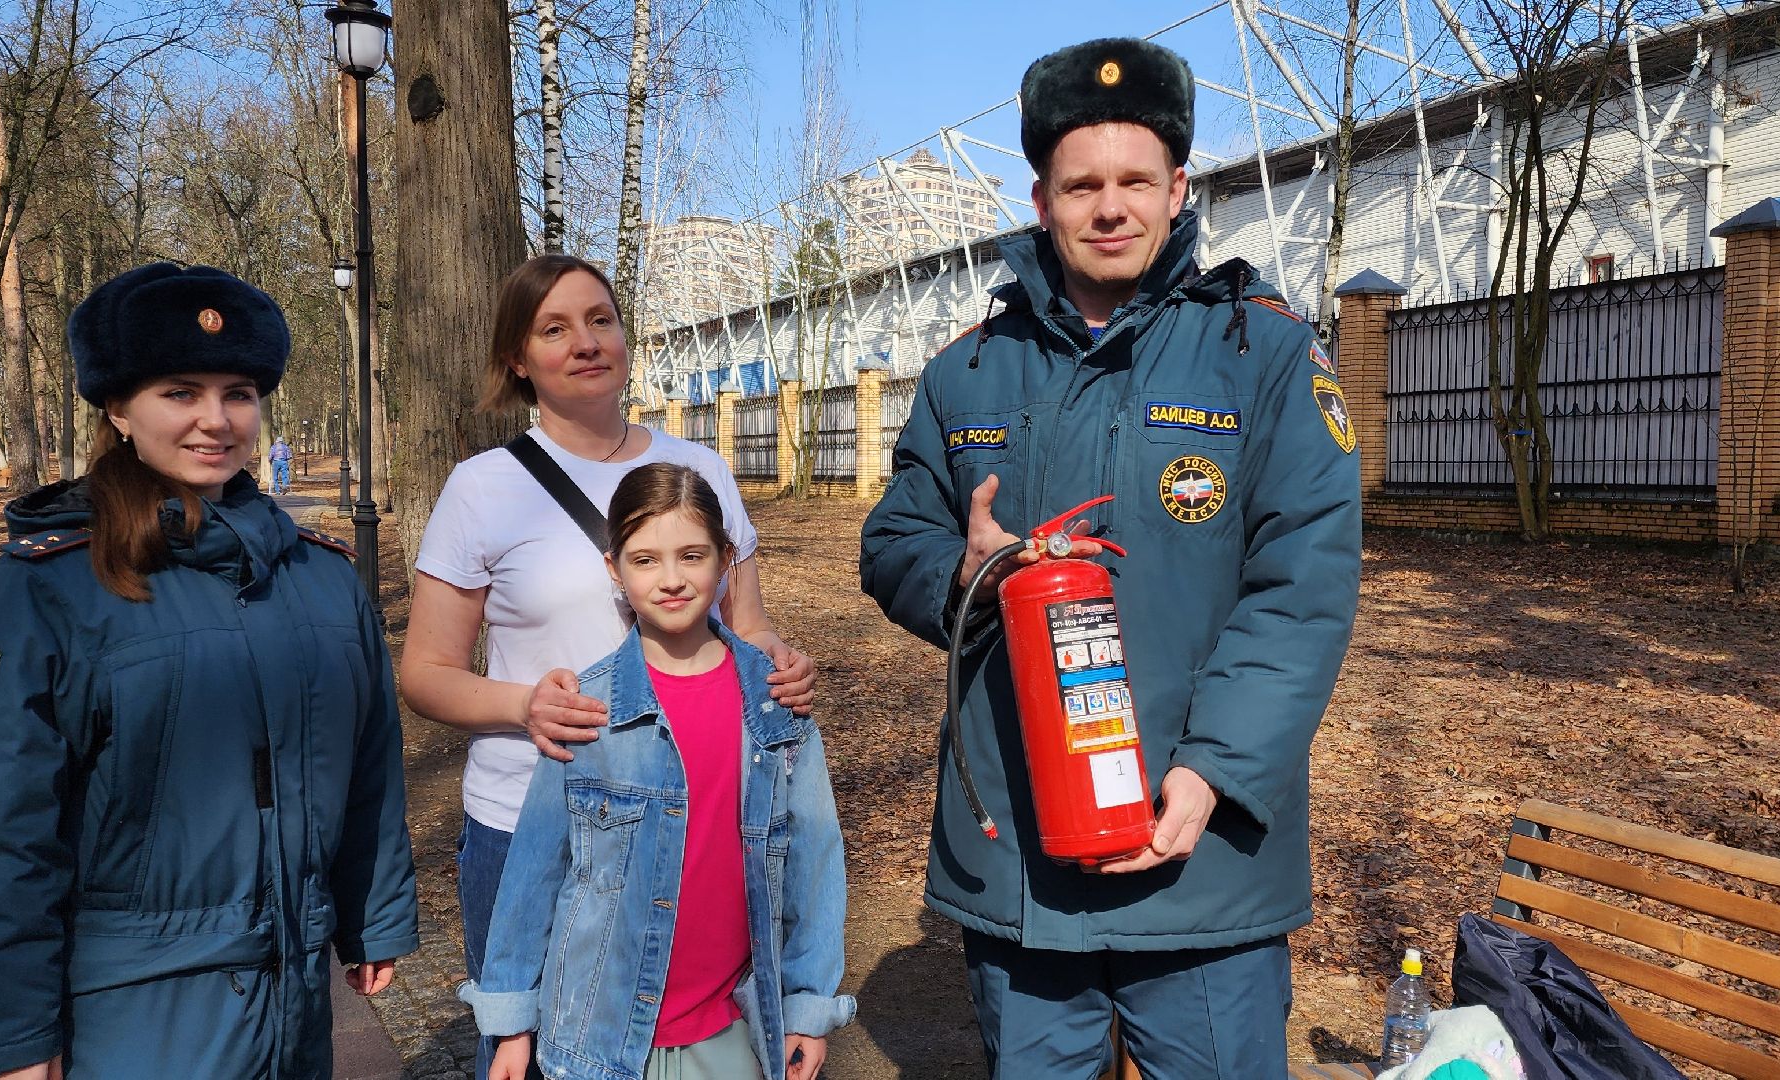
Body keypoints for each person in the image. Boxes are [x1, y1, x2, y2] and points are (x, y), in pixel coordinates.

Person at [859, 37, 1363, 1077]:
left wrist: (1214, 771)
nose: (1110, 207)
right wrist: (968, 573)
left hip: (1203, 867)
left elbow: (1301, 588)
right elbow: (896, 537)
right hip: (1023, 870)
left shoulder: (1262, 356)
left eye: (1137, 180)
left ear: (1180, 190)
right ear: (1040, 198)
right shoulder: (969, 371)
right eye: (1081, 184)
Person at [0, 262, 418, 1079]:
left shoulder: (323, 579)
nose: (215, 420)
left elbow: (367, 761)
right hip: (133, 1012)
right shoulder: (42, 590)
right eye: (181, 392)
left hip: (294, 998)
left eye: (238, 393)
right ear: (118, 408)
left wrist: (372, 914)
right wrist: (8, 1040)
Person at [398, 254, 817, 1079]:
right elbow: (425, 672)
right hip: (530, 823)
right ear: (517, 358)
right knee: (540, 1052)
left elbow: (748, 628)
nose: (585, 342)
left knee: (695, 1041)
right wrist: (527, 707)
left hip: (695, 815)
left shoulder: (703, 469)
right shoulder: (483, 488)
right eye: (553, 329)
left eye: (600, 320)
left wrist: (783, 667)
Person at [460, 463, 853, 1080]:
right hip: (597, 1033)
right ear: (614, 569)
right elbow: (535, 871)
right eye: (645, 560)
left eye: (691, 555)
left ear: (726, 561)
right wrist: (511, 1022)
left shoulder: (776, 706)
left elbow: (815, 860)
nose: (671, 579)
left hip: (733, 1031)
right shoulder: (586, 710)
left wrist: (808, 1005)